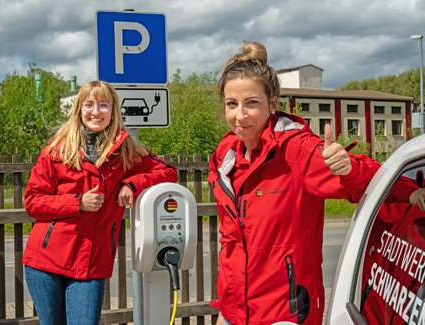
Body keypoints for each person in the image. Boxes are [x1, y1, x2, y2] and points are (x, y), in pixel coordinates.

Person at [207, 41, 425, 325]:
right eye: (232, 104)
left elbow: (371, 178)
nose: (240, 115)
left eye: (252, 103)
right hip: (232, 312)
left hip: (284, 315)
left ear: (272, 104)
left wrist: (408, 191)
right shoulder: (225, 157)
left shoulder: (296, 150)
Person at [22, 80, 178, 324]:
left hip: (90, 264)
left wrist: (133, 183)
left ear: (113, 110)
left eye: (103, 105)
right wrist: (77, 203)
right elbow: (33, 202)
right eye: (89, 104)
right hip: (45, 263)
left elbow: (168, 171)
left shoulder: (125, 151)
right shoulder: (57, 149)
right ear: (79, 110)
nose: (96, 111)